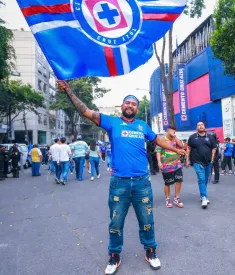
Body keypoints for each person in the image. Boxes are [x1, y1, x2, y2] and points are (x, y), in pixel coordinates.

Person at [57, 81, 185, 275]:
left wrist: (177, 149)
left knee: (147, 218)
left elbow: (158, 140)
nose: (130, 106)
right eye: (127, 103)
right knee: (116, 221)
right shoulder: (112, 122)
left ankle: (150, 251)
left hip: (142, 182)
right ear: (122, 106)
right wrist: (69, 92)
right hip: (119, 183)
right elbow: (85, 112)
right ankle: (114, 255)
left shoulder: (143, 126)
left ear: (137, 108)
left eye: (134, 104)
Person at [186, 121, 217, 209]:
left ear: (204, 126)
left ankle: (203, 194)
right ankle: (204, 197)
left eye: (202, 125)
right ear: (197, 128)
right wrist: (187, 160)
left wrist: (211, 160)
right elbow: (188, 149)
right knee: (201, 178)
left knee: (205, 179)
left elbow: (214, 149)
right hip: (197, 162)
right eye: (198, 125)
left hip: (208, 162)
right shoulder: (192, 137)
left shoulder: (210, 137)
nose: (200, 126)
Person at [156, 126, 184, 208]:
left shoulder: (175, 139)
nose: (173, 132)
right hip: (166, 165)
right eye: (172, 130)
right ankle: (167, 199)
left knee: (179, 180)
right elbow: (158, 151)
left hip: (177, 163)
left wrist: (174, 136)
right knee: (168, 183)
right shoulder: (161, 139)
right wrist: (159, 162)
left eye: (174, 131)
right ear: (167, 131)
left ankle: (176, 198)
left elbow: (181, 145)